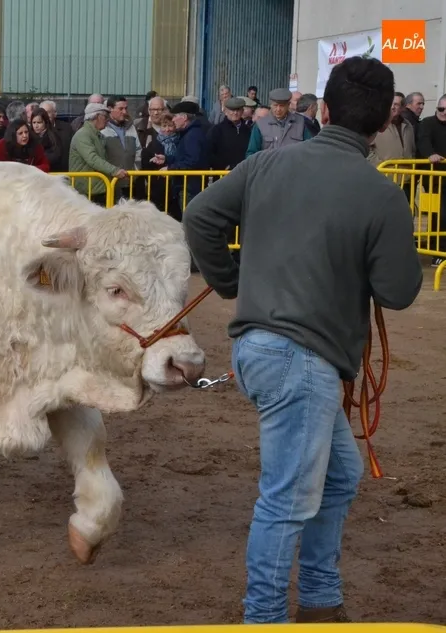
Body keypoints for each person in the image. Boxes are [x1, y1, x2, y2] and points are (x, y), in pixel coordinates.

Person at [182, 56, 423, 624]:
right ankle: (264, 618)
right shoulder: (381, 193)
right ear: (384, 123)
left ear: (326, 109)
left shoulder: (268, 164)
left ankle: (319, 598)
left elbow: (199, 217)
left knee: (339, 475)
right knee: (287, 500)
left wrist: (229, 282)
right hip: (304, 362)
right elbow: (398, 290)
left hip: (262, 350)